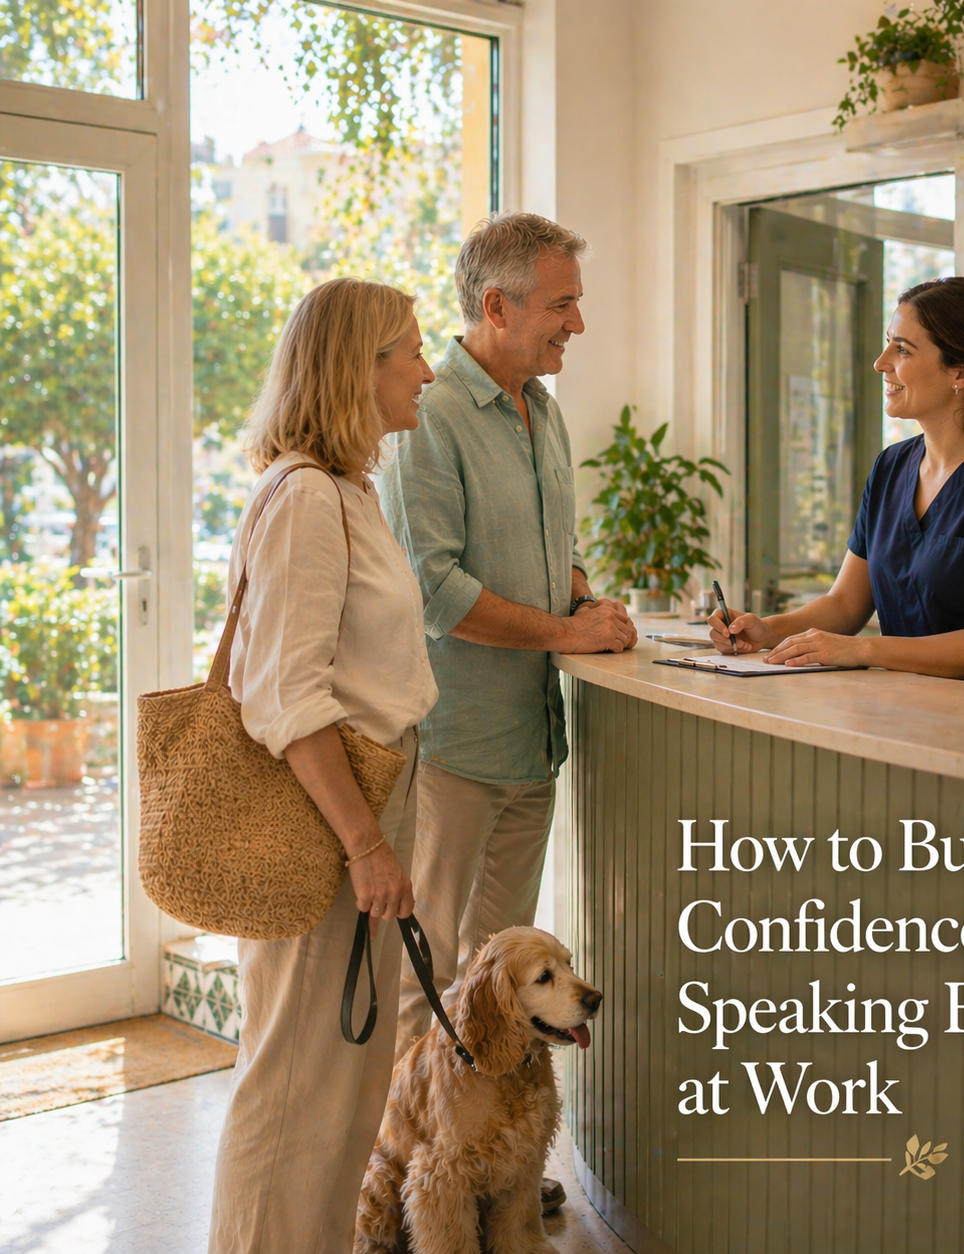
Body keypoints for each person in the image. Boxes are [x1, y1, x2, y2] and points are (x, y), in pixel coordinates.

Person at [207, 278, 439, 1254]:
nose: (428, 371)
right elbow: (286, 696)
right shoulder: (305, 496)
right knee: (295, 1096)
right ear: (361, 368)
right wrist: (364, 843)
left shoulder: (347, 488)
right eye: (412, 353)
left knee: (341, 1097)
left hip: (368, 807)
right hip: (328, 824)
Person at [379, 212, 636, 1068]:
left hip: (533, 745)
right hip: (455, 746)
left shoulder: (545, 413)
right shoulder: (430, 415)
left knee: (506, 979)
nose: (578, 324)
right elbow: (436, 590)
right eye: (563, 304)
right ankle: (413, 1171)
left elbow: (555, 552)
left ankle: (490, 1160)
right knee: (433, 971)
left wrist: (591, 606)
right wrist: (567, 629)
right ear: (497, 304)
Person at [710, 276, 964, 691]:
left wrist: (862, 650)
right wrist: (768, 630)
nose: (881, 362)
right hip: (906, 718)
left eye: (902, 349)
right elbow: (845, 605)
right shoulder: (891, 467)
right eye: (889, 343)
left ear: (963, 371)